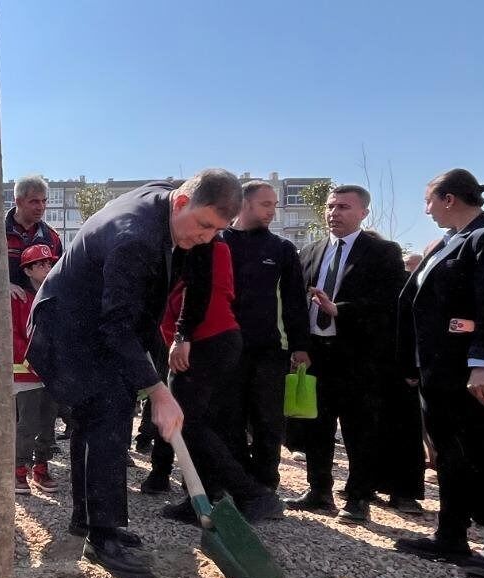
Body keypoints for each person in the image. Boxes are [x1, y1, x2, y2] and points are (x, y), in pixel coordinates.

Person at [28, 170, 242, 578]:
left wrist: (170, 350)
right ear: (182, 203)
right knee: (106, 413)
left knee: (106, 413)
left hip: (103, 323)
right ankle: (102, 533)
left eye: (218, 230)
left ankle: (88, 519)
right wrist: (159, 391)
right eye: (204, 225)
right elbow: (116, 327)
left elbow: (167, 294)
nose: (208, 237)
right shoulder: (134, 238)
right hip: (69, 330)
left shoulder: (175, 207)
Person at [395, 169, 484, 578]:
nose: (426, 209)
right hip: (438, 372)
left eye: (429, 201)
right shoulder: (449, 241)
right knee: (450, 459)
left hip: (472, 375)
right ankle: (450, 536)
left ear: (449, 199)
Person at [145, 238, 286, 524]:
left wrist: (182, 336)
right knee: (199, 423)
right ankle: (204, 497)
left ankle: (252, 494)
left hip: (206, 341)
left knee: (185, 423)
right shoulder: (194, 245)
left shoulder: (203, 242)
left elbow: (199, 290)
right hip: (210, 340)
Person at [286, 186, 406, 520]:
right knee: (316, 425)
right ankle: (319, 491)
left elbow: (389, 303)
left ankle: (358, 498)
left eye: (343, 207)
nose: (334, 213)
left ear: (363, 212)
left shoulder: (382, 252)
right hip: (315, 353)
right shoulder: (310, 251)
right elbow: (296, 305)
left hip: (358, 356)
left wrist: (339, 309)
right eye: (330, 206)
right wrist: (299, 346)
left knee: (359, 428)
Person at [216, 180, 310, 492]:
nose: (273, 210)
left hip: (270, 351)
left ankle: (267, 485)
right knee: (229, 419)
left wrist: (300, 346)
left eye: (274, 204)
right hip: (226, 349)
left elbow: (295, 301)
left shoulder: (282, 249)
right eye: (265, 204)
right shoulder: (217, 243)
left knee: (268, 422)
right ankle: (239, 484)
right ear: (244, 204)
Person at [11, 242, 58, 493]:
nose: (47, 267)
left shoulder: (56, 297)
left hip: (50, 373)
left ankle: (41, 467)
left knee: (48, 423)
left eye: (49, 263)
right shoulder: (18, 298)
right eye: (40, 264)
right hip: (26, 372)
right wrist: (33, 356)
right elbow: (14, 336)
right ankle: (19, 470)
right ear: (27, 271)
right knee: (27, 424)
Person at [7, 174, 63, 295]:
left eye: (44, 201)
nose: (41, 207)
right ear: (18, 202)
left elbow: (60, 277)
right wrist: (3, 286)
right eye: (34, 201)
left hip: (42, 310)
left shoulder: (53, 238)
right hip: (8, 310)